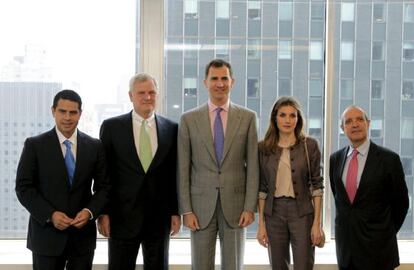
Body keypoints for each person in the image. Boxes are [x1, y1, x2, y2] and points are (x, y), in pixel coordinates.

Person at [177, 59, 259, 270]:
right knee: (201, 265)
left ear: (233, 82)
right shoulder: (188, 119)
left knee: (233, 266)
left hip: (237, 207)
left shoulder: (248, 118)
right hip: (199, 208)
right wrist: (186, 210)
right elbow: (183, 169)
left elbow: (253, 168)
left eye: (224, 78)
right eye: (214, 78)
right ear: (205, 82)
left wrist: (250, 207)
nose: (220, 84)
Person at [15, 89, 110, 270]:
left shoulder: (95, 146)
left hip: (82, 239)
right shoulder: (34, 145)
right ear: (53, 111)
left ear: (80, 114)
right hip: (46, 238)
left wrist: (90, 212)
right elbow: (24, 188)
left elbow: (104, 187)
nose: (67, 117)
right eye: (62, 111)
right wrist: (50, 215)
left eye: (73, 112)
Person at [98, 73, 180, 270]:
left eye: (152, 92)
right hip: (121, 217)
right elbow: (103, 174)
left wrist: (175, 212)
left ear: (157, 95)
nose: (147, 97)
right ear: (130, 96)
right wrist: (104, 212)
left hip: (159, 218)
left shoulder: (172, 128)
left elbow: (173, 175)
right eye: (141, 93)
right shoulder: (111, 127)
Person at [330, 105, 409, 270]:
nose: (355, 124)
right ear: (342, 128)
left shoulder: (389, 159)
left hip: (378, 249)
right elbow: (341, 200)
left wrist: (383, 233)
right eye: (349, 121)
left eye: (359, 119)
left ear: (368, 123)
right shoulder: (335, 159)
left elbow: (401, 204)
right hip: (347, 249)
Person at [256, 96, 324, 270]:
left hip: (302, 213)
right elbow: (262, 188)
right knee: (278, 265)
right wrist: (261, 225)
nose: (288, 120)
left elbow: (317, 186)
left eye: (292, 116)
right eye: (283, 115)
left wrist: (317, 223)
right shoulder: (263, 148)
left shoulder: (310, 145)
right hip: (273, 214)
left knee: (304, 264)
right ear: (275, 118)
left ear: (298, 119)